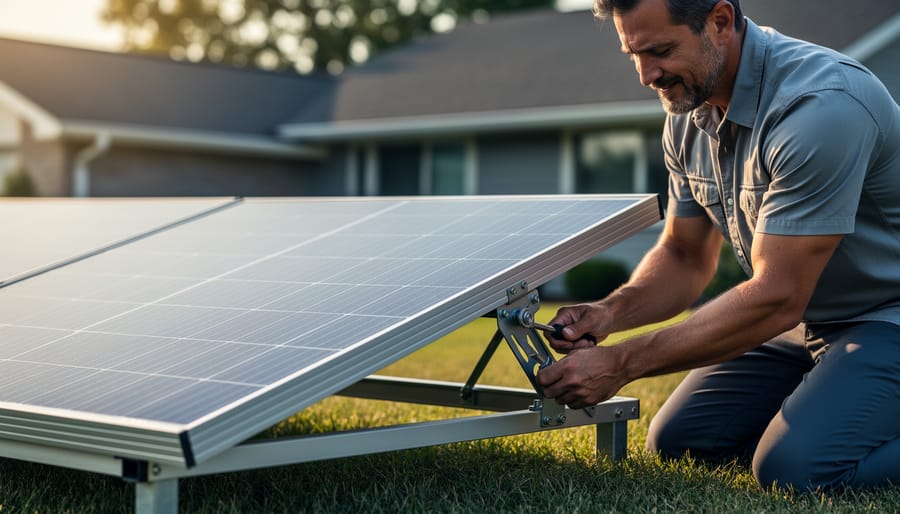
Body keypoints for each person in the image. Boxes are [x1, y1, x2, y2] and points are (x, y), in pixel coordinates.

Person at [536, 0, 900, 491]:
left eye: (661, 51)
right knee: (682, 442)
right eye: (633, 55)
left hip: (885, 315)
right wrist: (608, 313)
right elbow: (685, 256)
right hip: (805, 322)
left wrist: (621, 363)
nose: (647, 76)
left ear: (721, 22)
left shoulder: (821, 106)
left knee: (795, 472)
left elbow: (777, 295)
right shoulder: (688, 112)